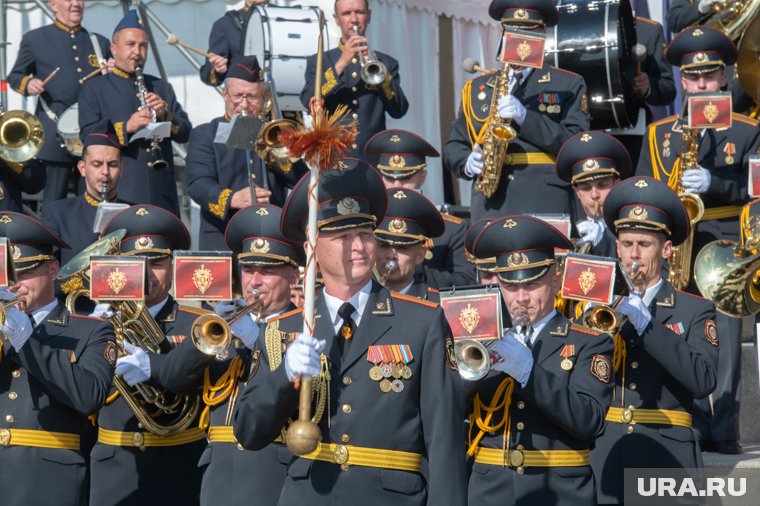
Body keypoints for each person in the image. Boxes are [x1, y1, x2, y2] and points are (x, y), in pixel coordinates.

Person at [232, 158, 467, 504]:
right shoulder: (284, 329)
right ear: (312, 247)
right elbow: (248, 431)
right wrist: (285, 374)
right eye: (343, 237)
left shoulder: (421, 322)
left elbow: (443, 439)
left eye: (365, 234)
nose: (359, 247)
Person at [636, 26, 760, 454]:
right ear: (683, 81)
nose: (703, 85)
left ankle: (723, 431)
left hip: (725, 245)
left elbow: (758, 189)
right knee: (674, 334)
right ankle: (682, 425)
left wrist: (719, 182)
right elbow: (642, 192)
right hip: (675, 247)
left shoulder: (747, 131)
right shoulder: (660, 133)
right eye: (694, 77)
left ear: (725, 78)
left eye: (710, 75)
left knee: (725, 341)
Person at [151, 204, 303, 506]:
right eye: (248, 269)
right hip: (219, 474)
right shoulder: (223, 328)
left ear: (294, 279)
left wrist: (257, 340)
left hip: (274, 472)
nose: (254, 281)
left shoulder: (303, 328)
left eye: (268, 270)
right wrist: (204, 338)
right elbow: (171, 378)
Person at [591, 176, 719, 504]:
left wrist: (646, 324)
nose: (634, 255)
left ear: (665, 249)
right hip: (605, 454)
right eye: (627, 243)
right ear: (616, 246)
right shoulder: (596, 306)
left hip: (667, 458)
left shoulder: (694, 309)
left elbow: (702, 379)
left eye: (644, 245)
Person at [88, 205, 208, 506]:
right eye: (135, 264)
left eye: (156, 263)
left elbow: (211, 385)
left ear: (172, 265)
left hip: (179, 469)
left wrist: (156, 365)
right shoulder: (96, 323)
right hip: (114, 469)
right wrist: (90, 334)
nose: (146, 274)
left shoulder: (197, 323)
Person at [0, 211, 116, 506]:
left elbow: (88, 395)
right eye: (5, 274)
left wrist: (28, 340)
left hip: (47, 480)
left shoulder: (92, 329)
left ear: (53, 270)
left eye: (23, 272)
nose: (14, 285)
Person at [443, 0, 589, 223]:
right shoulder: (478, 88)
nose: (520, 42)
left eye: (528, 34)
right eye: (512, 32)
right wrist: (467, 162)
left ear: (542, 35)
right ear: (502, 33)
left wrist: (526, 118)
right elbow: (455, 145)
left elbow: (577, 145)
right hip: (490, 204)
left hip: (543, 199)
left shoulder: (567, 83)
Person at [185, 56, 308, 249]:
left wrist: (278, 148)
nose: (243, 104)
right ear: (225, 94)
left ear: (263, 98)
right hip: (222, 237)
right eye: (238, 95)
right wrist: (232, 198)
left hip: (270, 236)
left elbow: (301, 180)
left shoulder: (272, 133)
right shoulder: (205, 134)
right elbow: (197, 184)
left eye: (252, 96)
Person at [78, 10, 192, 216]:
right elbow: (87, 136)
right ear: (114, 49)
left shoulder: (160, 86)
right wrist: (126, 127)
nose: (137, 52)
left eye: (142, 46)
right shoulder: (95, 88)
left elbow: (185, 131)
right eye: (130, 45)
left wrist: (166, 114)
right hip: (123, 187)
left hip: (161, 189)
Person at [7, 0, 112, 206]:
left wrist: (113, 71)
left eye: (79, 0)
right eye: (69, 0)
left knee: (93, 201)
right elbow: (15, 76)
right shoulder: (35, 39)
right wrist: (29, 83)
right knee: (54, 202)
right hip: (55, 135)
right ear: (53, 5)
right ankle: (49, 239)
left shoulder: (99, 42)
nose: (76, 4)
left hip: (91, 133)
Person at [366, 129, 477, 289]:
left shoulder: (452, 229)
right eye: (390, 178)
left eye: (406, 178)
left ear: (422, 177)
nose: (397, 185)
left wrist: (410, 264)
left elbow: (466, 284)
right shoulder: (368, 223)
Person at [300, 0, 408, 162]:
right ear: (336, 19)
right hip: (334, 159)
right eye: (346, 13)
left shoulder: (386, 62)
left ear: (369, 16)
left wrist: (381, 75)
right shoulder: (320, 61)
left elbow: (399, 110)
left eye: (359, 12)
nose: (354, 19)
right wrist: (341, 63)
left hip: (373, 159)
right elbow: (308, 100)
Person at [41, 119, 131, 270]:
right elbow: (48, 275)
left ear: (122, 168)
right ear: (82, 168)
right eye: (97, 164)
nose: (105, 172)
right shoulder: (57, 214)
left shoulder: (134, 214)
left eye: (113, 164)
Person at [556, 131, 633, 258]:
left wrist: (603, 245)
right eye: (585, 188)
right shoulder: (570, 230)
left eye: (602, 185)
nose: (594, 195)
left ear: (617, 185)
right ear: (577, 192)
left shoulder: (631, 225)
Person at [615, 14, 676, 168]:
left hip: (632, 135)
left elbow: (668, 89)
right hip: (586, 131)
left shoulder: (648, 30)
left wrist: (648, 87)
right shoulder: (576, 24)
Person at [374, 188, 445, 300]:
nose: (391, 255)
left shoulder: (435, 306)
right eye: (383, 245)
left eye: (402, 248)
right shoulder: (359, 298)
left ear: (420, 255)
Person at [200, 0, 269, 87]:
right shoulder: (226, 24)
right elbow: (206, 74)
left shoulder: (287, 15)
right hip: (246, 97)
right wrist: (217, 69)